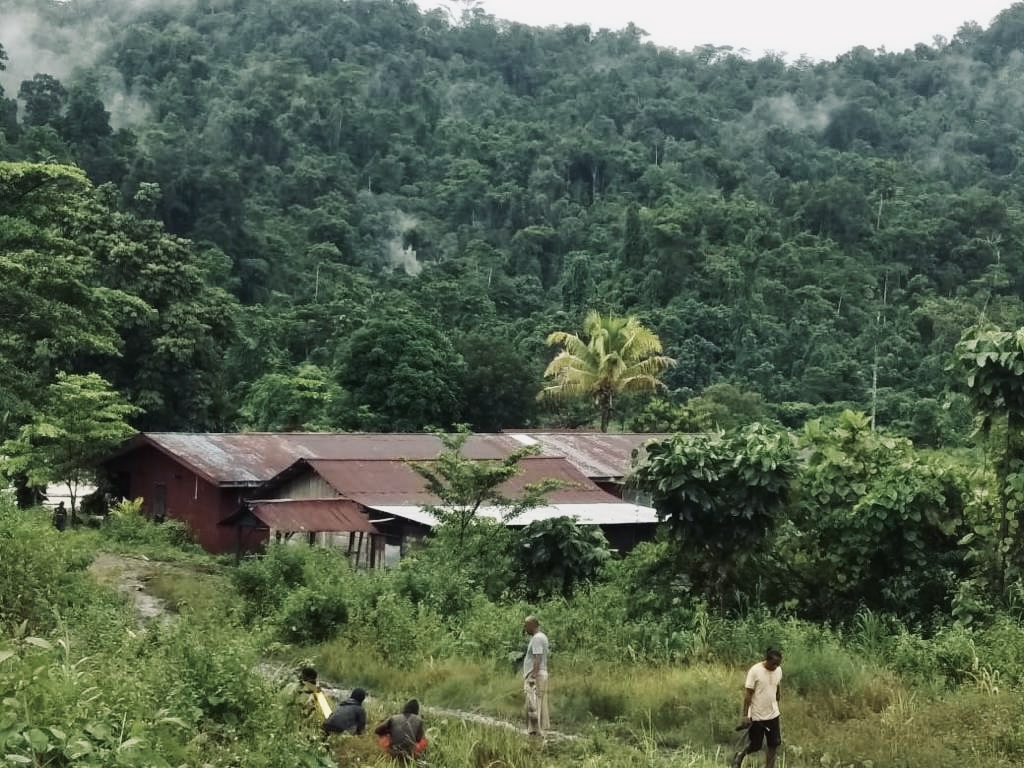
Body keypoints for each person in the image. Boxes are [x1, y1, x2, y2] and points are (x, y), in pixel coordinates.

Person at [733, 648, 783, 768]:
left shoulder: (778, 670)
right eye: (774, 664)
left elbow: (777, 684)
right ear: (767, 660)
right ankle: (740, 755)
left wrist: (777, 695)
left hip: (773, 714)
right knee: (756, 745)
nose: (776, 666)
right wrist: (745, 715)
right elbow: (748, 694)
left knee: (773, 744)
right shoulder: (755, 671)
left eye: (778, 664)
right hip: (757, 716)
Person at [522, 615, 549, 736]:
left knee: (533, 704)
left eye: (526, 625)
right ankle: (537, 730)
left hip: (536, 675)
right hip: (540, 674)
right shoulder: (541, 636)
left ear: (532, 625)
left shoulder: (537, 638)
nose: (524, 628)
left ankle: (535, 732)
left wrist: (533, 677)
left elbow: (537, 658)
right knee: (538, 703)